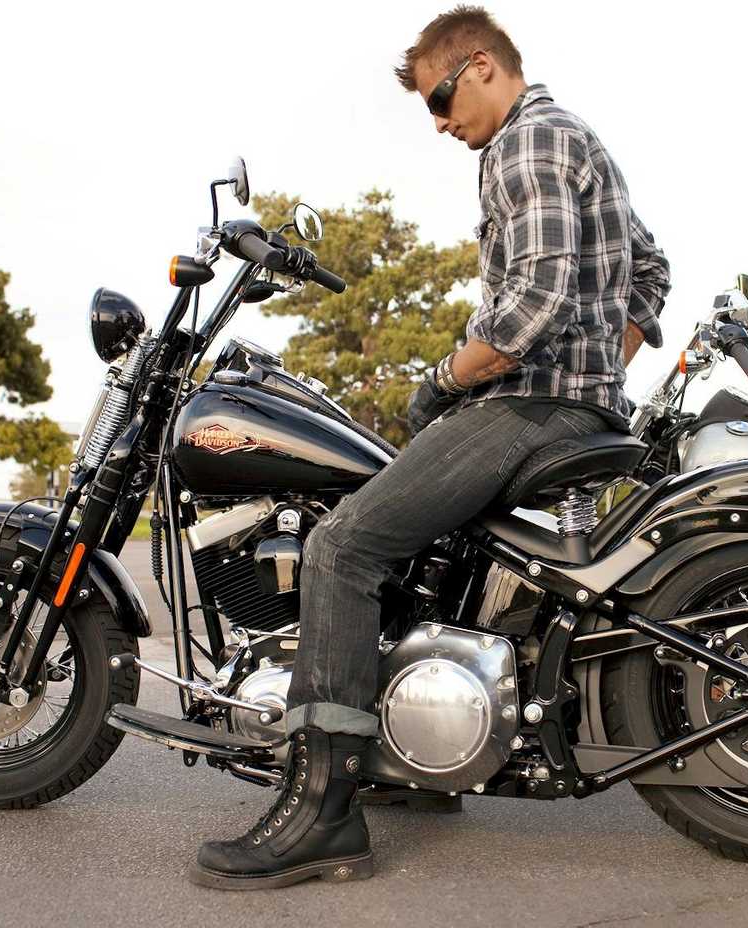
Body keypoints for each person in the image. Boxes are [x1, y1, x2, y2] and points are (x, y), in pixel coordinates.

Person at [188, 5, 672, 890]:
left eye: (441, 101)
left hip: (531, 406)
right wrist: (602, 374)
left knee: (341, 546)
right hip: (569, 402)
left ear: (480, 65)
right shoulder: (573, 138)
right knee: (413, 536)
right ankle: (409, 764)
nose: (442, 124)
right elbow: (648, 274)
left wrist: (452, 378)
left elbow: (531, 307)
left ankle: (320, 808)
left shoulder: (525, 143)